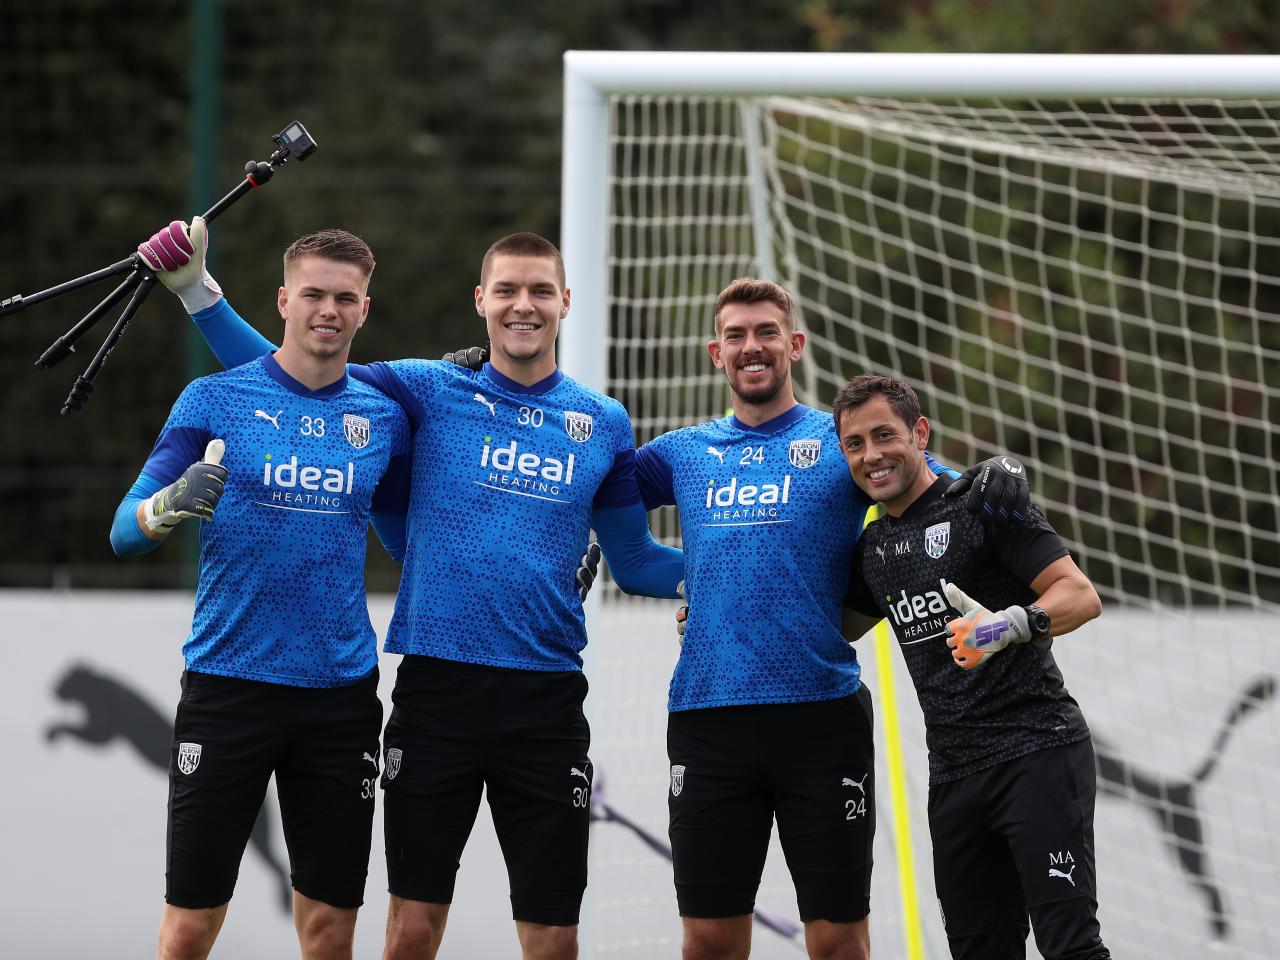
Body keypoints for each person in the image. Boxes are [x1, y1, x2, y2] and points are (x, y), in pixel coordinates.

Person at [140, 218, 685, 960]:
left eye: (539, 291)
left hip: (548, 700)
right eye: (506, 290)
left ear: (565, 301)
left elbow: (639, 562)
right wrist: (201, 298)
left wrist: (738, 575)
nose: (523, 305)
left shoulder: (603, 421)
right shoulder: (427, 389)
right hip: (435, 695)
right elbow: (295, 377)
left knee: (556, 939)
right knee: (412, 933)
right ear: (480, 300)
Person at [622, 278, 1030, 960]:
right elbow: (590, 490)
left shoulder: (841, 442)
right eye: (735, 335)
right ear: (716, 353)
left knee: (839, 941)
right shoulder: (679, 453)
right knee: (709, 939)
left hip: (821, 719)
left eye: (766, 332)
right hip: (708, 718)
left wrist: (998, 472)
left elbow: (937, 486)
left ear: (795, 344)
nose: (751, 346)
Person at [111, 226, 412, 960]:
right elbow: (124, 530)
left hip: (339, 698)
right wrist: (169, 504)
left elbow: (415, 546)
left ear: (365, 309)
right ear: (283, 300)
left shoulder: (383, 418)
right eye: (313, 294)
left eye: (345, 298)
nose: (328, 310)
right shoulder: (214, 398)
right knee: (189, 928)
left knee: (330, 931)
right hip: (228, 688)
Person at [835, 373, 1110, 960]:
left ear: (920, 433)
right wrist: (710, 617)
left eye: (884, 435)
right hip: (954, 777)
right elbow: (829, 631)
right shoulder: (873, 550)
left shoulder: (985, 504)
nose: (871, 455)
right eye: (855, 444)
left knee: (1072, 948)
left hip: (1035, 752)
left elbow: (1080, 595)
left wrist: (1008, 625)